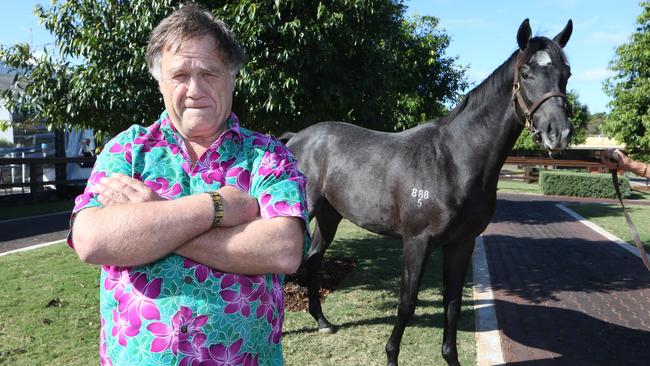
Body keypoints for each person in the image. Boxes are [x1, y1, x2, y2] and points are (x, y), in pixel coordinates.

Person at [68, 4, 309, 365]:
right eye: (179, 74)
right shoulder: (127, 149)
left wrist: (153, 219)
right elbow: (93, 240)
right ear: (160, 81)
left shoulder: (267, 156)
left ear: (232, 76)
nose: (195, 89)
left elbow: (284, 250)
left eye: (209, 72)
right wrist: (216, 207)